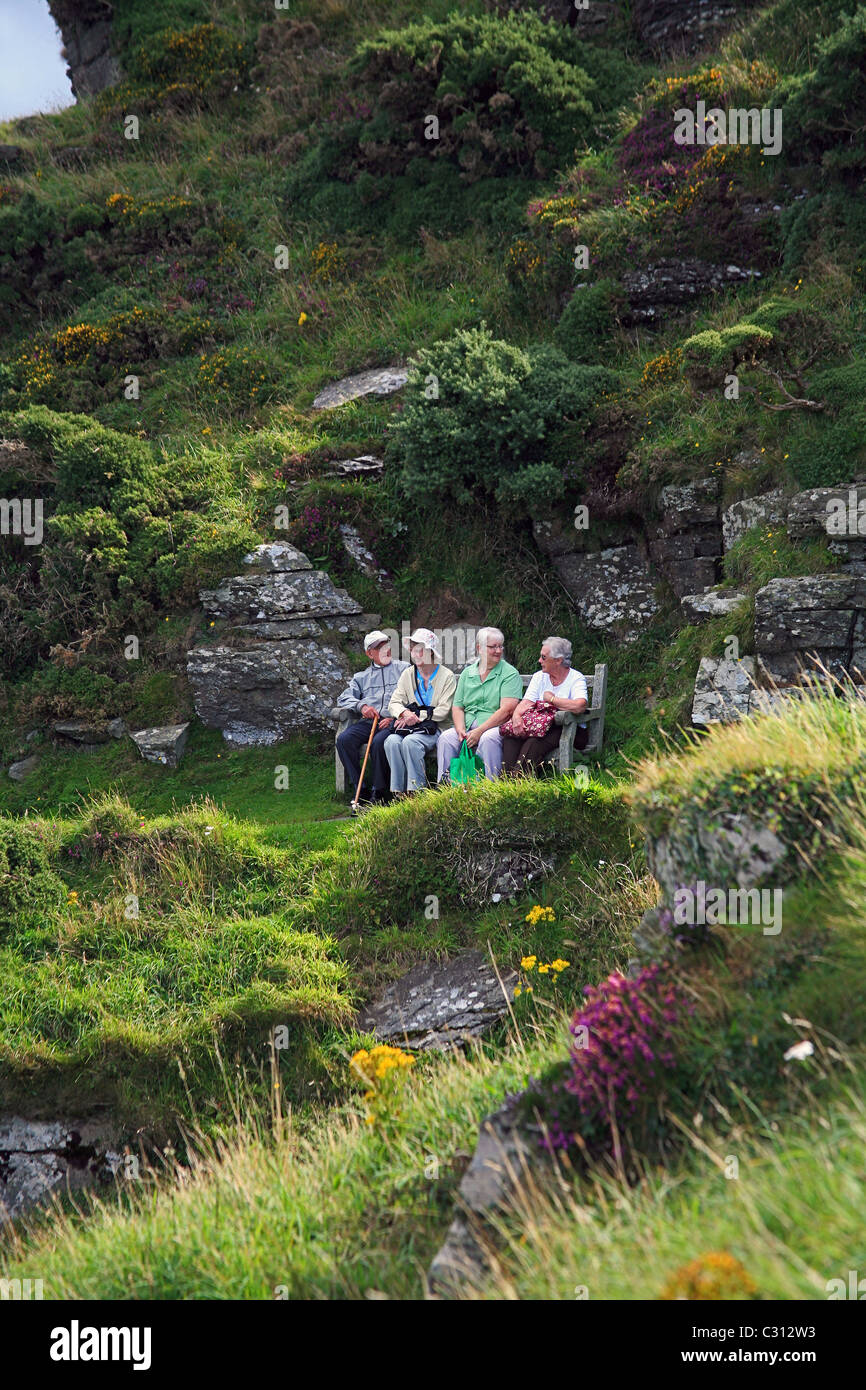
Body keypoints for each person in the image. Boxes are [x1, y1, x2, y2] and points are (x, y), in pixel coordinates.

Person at [436, 626, 522, 782]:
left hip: (495, 726)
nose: (498, 650)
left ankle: (490, 788)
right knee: (446, 738)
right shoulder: (467, 673)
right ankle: (445, 788)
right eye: (493, 647)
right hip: (468, 726)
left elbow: (507, 710)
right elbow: (458, 706)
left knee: (488, 739)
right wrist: (460, 729)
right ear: (479, 648)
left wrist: (480, 731)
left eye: (500, 646)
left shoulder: (509, 673)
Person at [336, 631, 407, 804]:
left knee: (378, 743)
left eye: (387, 645)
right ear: (369, 653)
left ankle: (379, 791)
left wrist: (395, 717)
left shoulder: (404, 669)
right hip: (369, 722)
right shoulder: (361, 677)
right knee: (344, 740)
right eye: (379, 647)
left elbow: (413, 697)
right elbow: (344, 697)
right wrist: (362, 706)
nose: (386, 650)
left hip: (392, 722)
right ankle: (360, 789)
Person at [384, 628, 457, 796]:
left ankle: (416, 792)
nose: (416, 654)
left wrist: (416, 717)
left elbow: (443, 711)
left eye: (421, 650)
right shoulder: (407, 674)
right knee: (391, 741)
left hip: (437, 728)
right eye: (413, 650)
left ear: (431, 652)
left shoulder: (447, 676)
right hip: (410, 726)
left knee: (411, 742)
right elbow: (394, 703)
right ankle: (398, 792)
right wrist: (404, 714)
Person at [502, 636, 588, 775]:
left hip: (567, 727)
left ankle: (518, 781)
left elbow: (580, 705)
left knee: (534, 742)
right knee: (512, 736)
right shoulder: (539, 677)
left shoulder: (575, 678)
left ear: (558, 660)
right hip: (540, 725)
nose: (539, 661)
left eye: (543, 657)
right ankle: (506, 780)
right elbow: (526, 702)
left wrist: (552, 699)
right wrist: (517, 716)